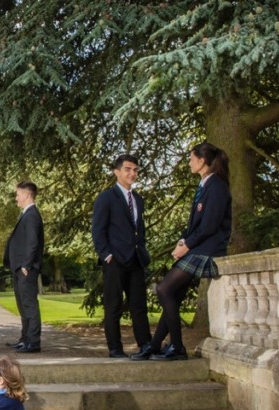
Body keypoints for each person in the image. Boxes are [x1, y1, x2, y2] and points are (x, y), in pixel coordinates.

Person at [133, 142, 232, 362]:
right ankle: (156, 345)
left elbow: (210, 226)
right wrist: (183, 241)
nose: (189, 162)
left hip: (207, 251)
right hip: (197, 247)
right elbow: (196, 225)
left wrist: (186, 246)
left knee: (164, 289)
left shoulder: (216, 186)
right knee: (173, 295)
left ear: (202, 161)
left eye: (191, 158)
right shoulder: (205, 185)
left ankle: (177, 347)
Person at [91, 154, 153, 358]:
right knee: (113, 305)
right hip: (115, 260)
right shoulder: (106, 198)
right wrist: (107, 255)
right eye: (127, 169)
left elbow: (139, 229)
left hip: (135, 260)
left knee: (139, 306)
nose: (132, 173)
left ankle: (145, 345)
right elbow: (98, 230)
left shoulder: (138, 200)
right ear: (117, 172)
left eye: (135, 170)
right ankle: (115, 348)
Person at [3, 181, 44, 353]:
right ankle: (25, 339)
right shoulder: (27, 215)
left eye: (18, 194)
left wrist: (26, 265)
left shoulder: (32, 215)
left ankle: (33, 342)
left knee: (29, 305)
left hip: (26, 268)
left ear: (27, 195)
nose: (16, 198)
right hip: (20, 268)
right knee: (22, 304)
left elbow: (33, 243)